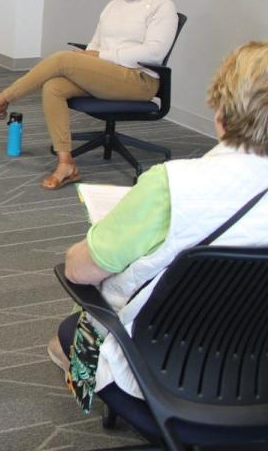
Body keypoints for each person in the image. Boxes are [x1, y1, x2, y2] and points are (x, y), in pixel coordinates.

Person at [48, 41, 268, 410]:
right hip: (257, 377)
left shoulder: (171, 186)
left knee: (71, 328)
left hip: (160, 372)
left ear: (220, 111)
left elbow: (80, 270)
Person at [0, 0, 178, 190]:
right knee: (54, 86)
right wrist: (91, 55)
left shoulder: (162, 6)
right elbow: (96, 43)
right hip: (109, 74)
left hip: (139, 81)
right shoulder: (114, 5)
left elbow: (153, 53)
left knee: (63, 59)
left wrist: (100, 56)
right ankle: (66, 163)